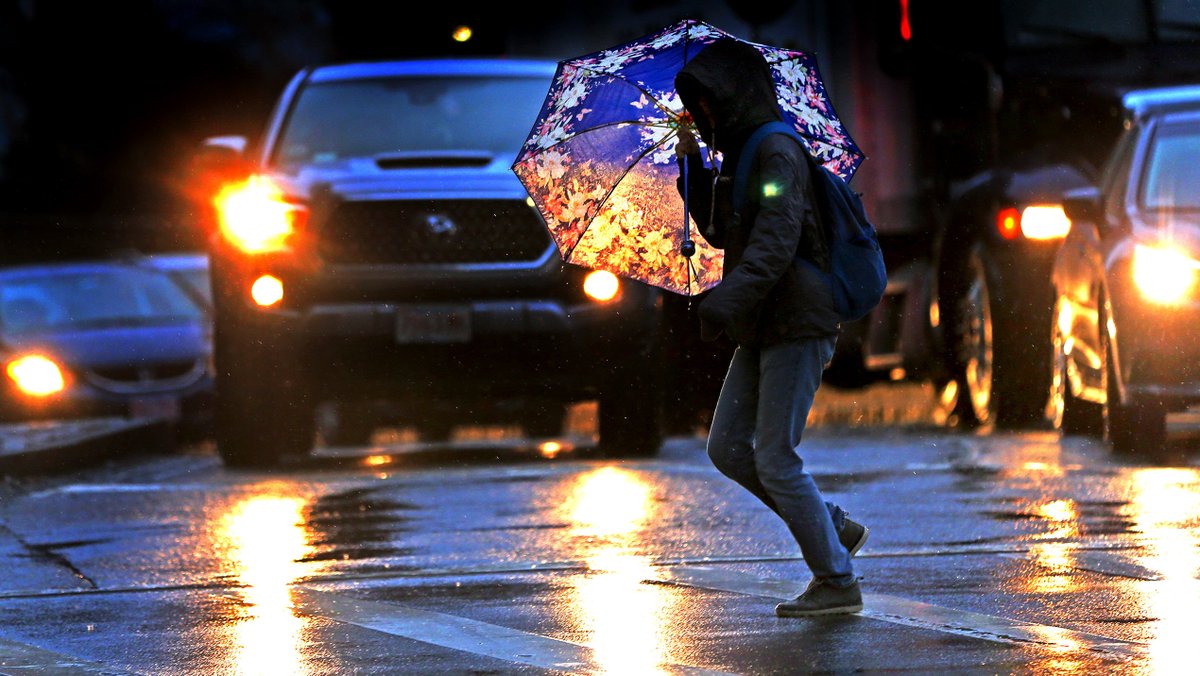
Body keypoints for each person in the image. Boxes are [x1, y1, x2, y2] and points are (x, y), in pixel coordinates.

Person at [674, 38, 869, 616]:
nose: (703, 114)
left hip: (798, 321)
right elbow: (724, 234)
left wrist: (725, 302)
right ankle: (830, 527)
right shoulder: (741, 153)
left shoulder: (776, 149)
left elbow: (776, 243)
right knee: (729, 447)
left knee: (776, 457)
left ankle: (837, 581)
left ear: (735, 95)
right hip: (766, 322)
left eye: (708, 103)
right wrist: (690, 166)